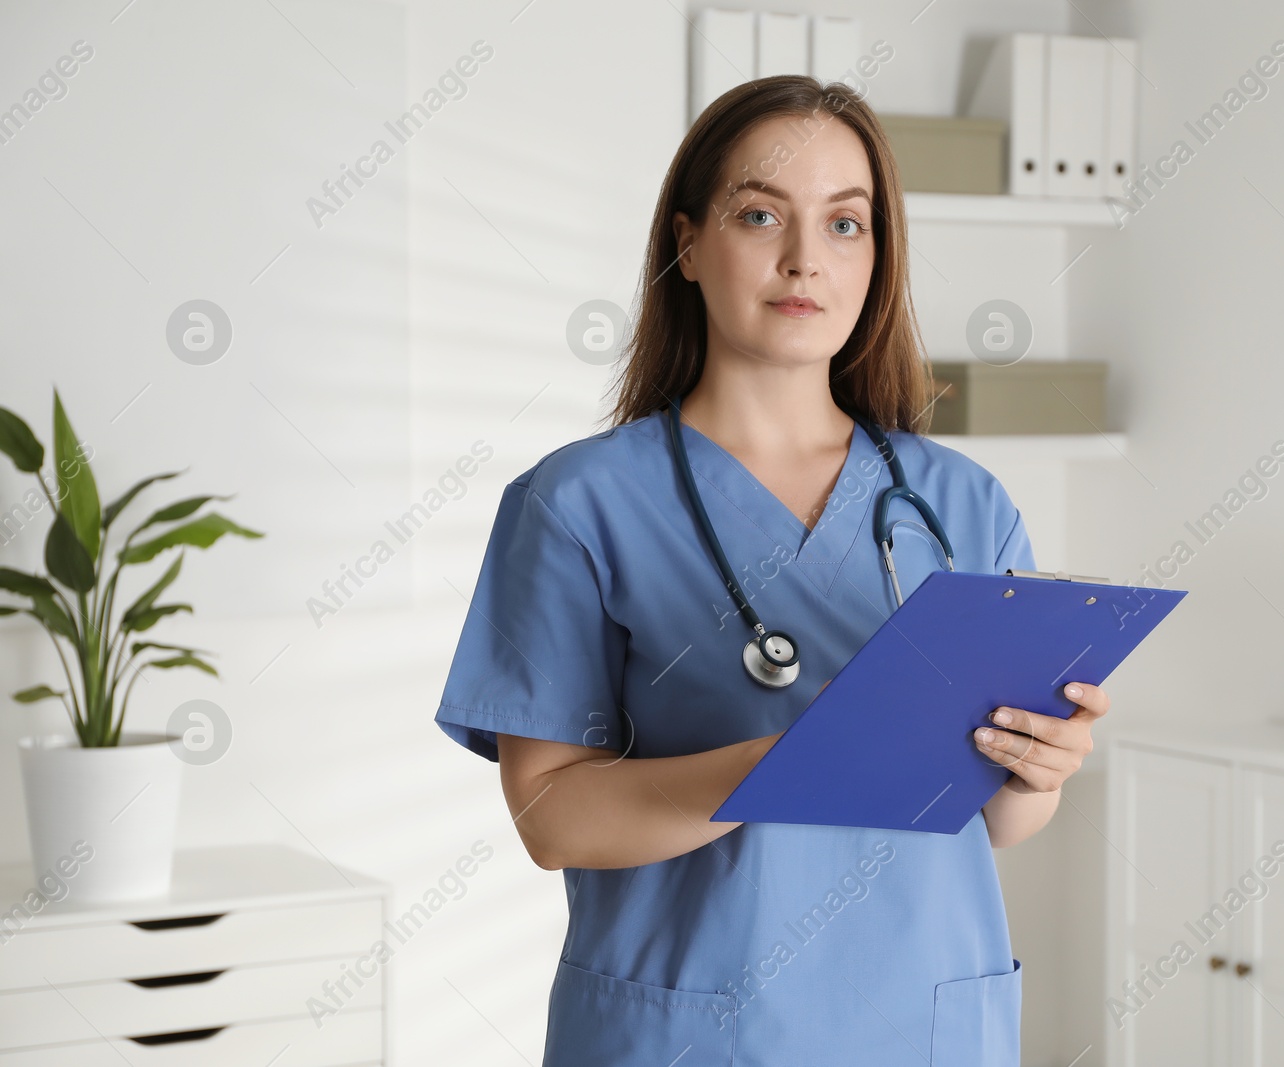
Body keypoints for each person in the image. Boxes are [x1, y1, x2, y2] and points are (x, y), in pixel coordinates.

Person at [433, 73, 1110, 1066]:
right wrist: (776, 767)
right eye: (761, 214)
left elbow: (1001, 818)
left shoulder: (964, 504)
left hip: (923, 1020)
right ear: (688, 243)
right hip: (693, 1030)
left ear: (878, 257)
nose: (806, 259)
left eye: (846, 224)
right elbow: (552, 815)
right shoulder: (577, 504)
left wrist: (1040, 768)